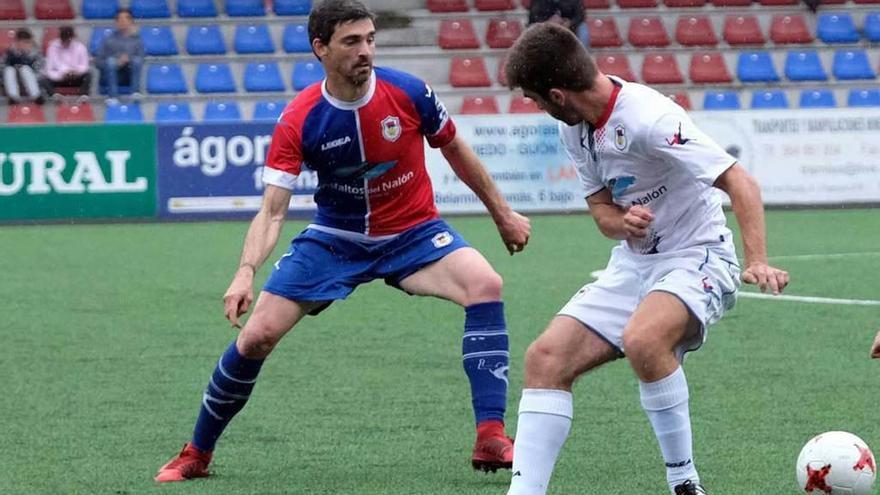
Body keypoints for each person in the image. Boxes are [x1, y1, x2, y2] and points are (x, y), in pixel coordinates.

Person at [154, 0, 531, 484]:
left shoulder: (409, 91)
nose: (366, 51)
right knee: (256, 337)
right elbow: (273, 210)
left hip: (413, 232)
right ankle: (197, 452)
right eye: (352, 42)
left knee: (485, 283)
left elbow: (455, 148)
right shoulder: (300, 118)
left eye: (370, 39)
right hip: (336, 240)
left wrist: (502, 214)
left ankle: (491, 435)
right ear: (321, 48)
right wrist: (245, 271)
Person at [502, 23, 789, 495]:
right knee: (545, 359)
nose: (535, 107)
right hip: (635, 264)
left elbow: (740, 181)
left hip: (699, 254)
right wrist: (622, 223)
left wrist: (756, 258)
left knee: (643, 338)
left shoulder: (649, 118)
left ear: (557, 94)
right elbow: (601, 211)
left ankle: (684, 483)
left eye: (534, 99)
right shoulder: (576, 130)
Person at [95, 8, 143, 101]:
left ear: (131, 22)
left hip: (128, 75)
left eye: (126, 19)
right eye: (120, 20)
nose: (123, 22)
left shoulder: (137, 40)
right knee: (111, 61)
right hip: (111, 74)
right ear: (116, 22)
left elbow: (141, 59)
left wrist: (128, 59)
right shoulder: (108, 40)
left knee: (137, 60)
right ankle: (113, 96)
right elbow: (98, 62)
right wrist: (117, 62)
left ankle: (135, 93)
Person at [42, 26, 91, 97]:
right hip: (60, 79)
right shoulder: (52, 47)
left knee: (88, 75)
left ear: (72, 38)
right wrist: (61, 74)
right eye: (63, 40)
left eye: (68, 40)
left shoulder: (80, 47)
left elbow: (85, 66)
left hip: (76, 78)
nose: (66, 43)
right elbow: (49, 70)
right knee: (44, 79)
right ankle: (55, 96)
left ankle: (83, 96)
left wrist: (76, 72)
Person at [2, 28, 43, 104]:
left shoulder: (36, 54)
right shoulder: (10, 53)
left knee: (25, 69)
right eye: (21, 42)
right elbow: (3, 67)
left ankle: (36, 96)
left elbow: (40, 71)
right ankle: (13, 97)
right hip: (13, 80)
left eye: (27, 42)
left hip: (32, 80)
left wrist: (25, 58)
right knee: (9, 70)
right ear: (17, 42)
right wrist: (16, 67)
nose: (24, 45)